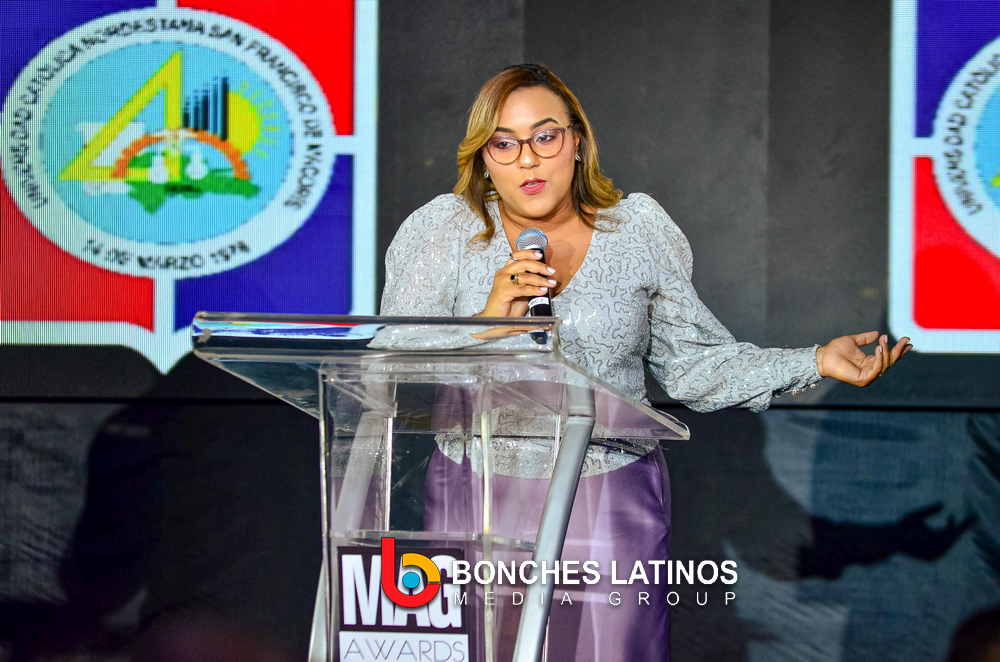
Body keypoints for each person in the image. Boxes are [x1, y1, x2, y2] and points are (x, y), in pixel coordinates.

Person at [379, 63, 910, 661]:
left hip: (608, 500)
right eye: (504, 143)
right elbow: (388, 364)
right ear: (483, 159)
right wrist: (486, 324)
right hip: (475, 496)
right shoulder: (446, 231)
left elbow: (694, 367)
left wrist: (814, 361)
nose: (527, 159)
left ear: (577, 141)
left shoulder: (637, 232)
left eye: (545, 136)